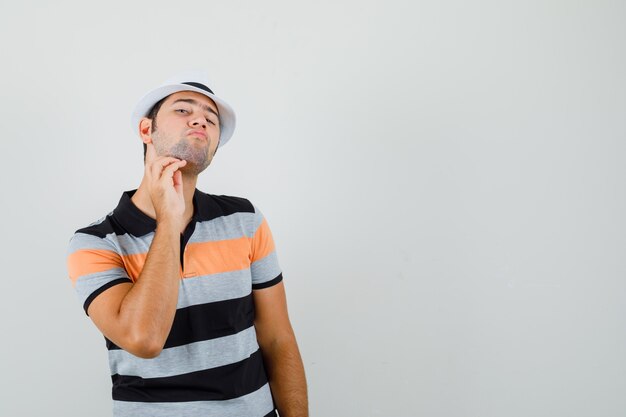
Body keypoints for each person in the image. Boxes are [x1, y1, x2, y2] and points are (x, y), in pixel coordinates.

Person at [66, 72, 308, 417]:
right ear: (146, 130)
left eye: (211, 119)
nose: (201, 120)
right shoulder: (94, 243)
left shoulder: (245, 220)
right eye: (183, 110)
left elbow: (277, 338)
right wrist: (169, 221)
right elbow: (144, 339)